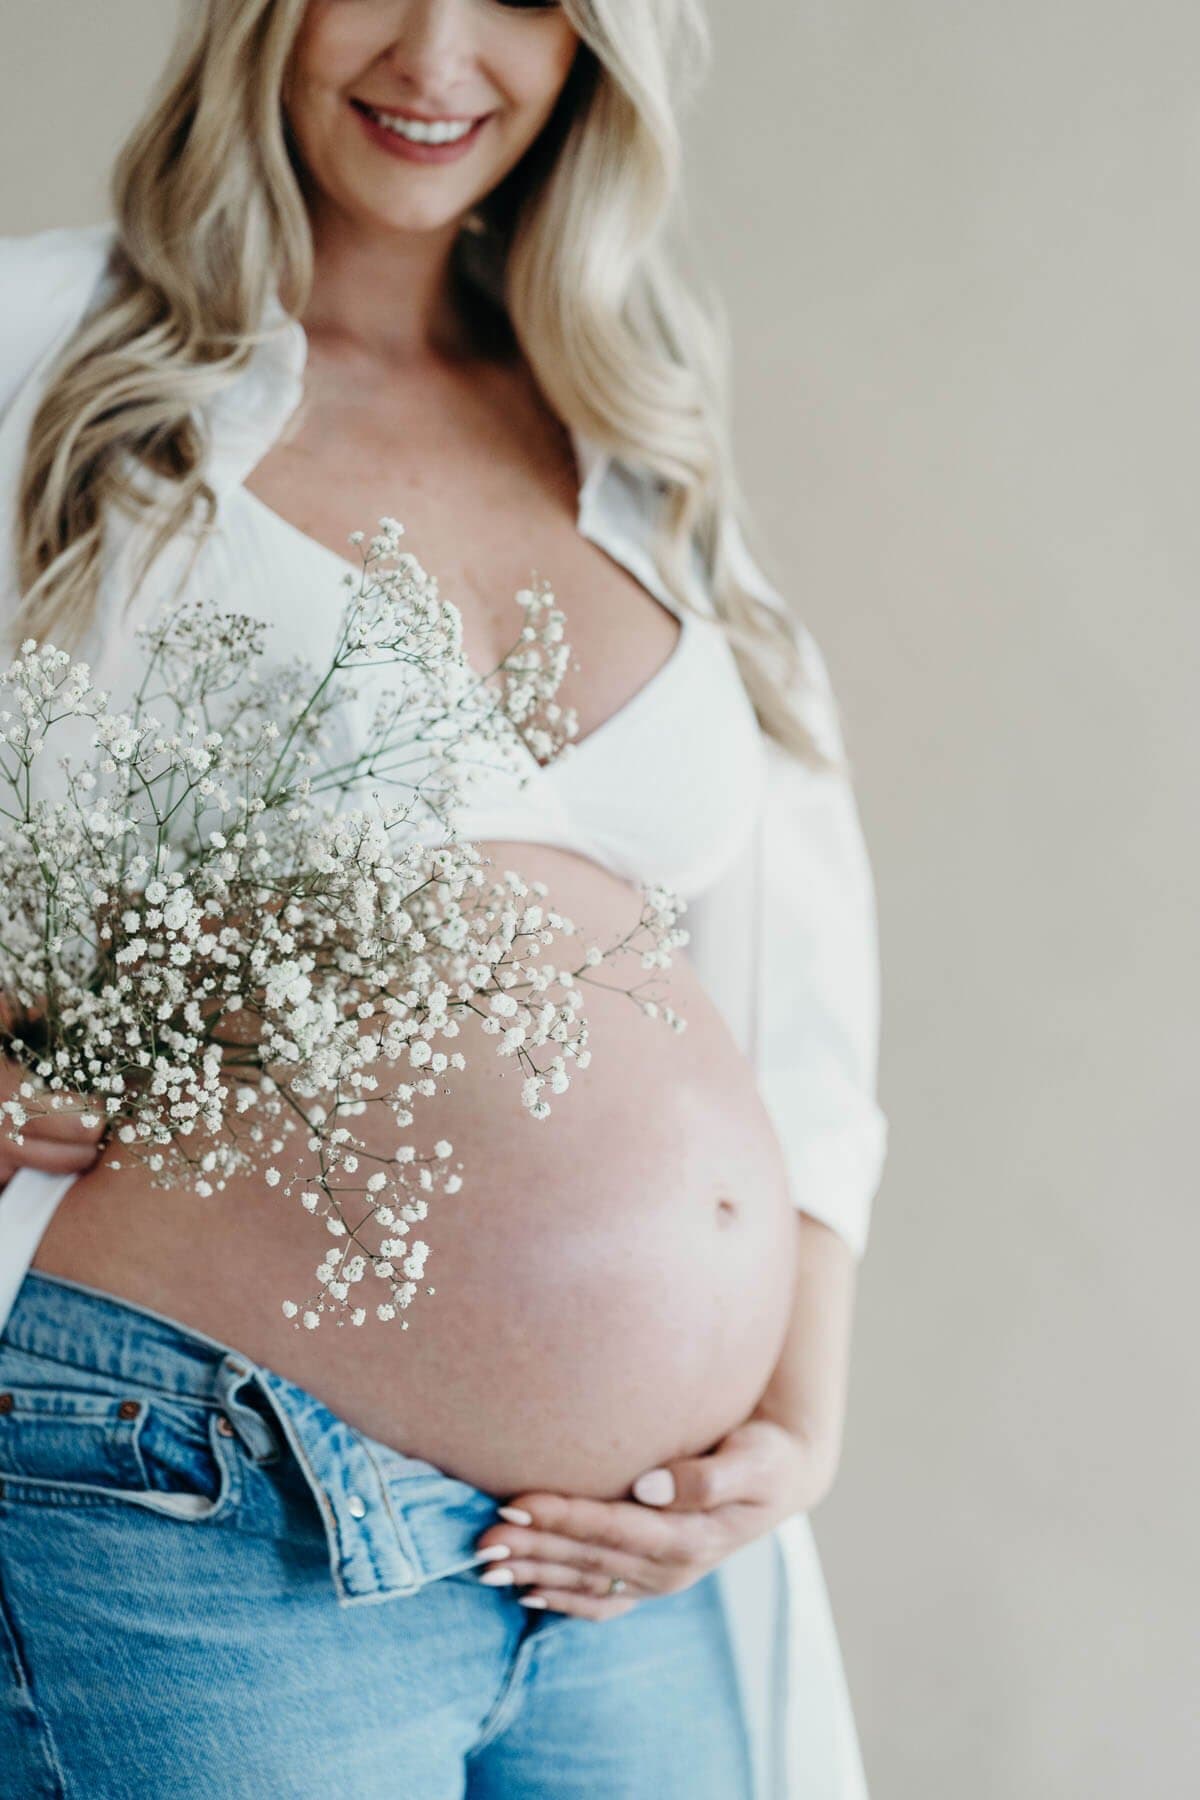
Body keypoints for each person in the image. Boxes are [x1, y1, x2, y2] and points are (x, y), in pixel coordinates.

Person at [0, 2, 888, 1795]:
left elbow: (796, 979)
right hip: (203, 1505)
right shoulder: (43, 342)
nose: (434, 52)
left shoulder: (632, 435)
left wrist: (797, 1411)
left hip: (640, 1559)